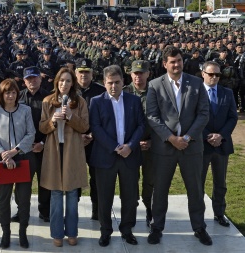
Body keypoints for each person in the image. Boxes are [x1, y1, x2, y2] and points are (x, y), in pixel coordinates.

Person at [146, 46, 211, 246]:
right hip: (165, 148)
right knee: (160, 189)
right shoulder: (154, 85)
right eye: (172, 62)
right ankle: (157, 227)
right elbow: (152, 116)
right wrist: (171, 138)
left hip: (191, 148)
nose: (177, 65)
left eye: (179, 60)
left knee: (195, 189)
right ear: (165, 64)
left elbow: (203, 114)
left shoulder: (197, 83)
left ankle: (199, 227)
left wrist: (188, 137)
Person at [89, 65, 145, 247]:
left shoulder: (134, 101)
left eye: (117, 82)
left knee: (130, 197)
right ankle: (105, 231)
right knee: (104, 197)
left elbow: (141, 126)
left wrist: (130, 146)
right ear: (104, 83)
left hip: (129, 157)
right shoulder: (96, 102)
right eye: (110, 83)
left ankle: (127, 230)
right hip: (105, 157)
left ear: (123, 82)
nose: (114, 86)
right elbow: (96, 128)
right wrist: (114, 147)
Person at [39, 67, 89, 247]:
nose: (64, 84)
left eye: (68, 81)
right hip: (54, 151)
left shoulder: (80, 102)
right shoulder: (47, 101)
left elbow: (84, 126)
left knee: (72, 194)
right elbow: (42, 128)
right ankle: (57, 233)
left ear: (72, 83)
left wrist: (70, 116)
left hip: (72, 152)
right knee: (56, 194)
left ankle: (72, 232)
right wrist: (53, 121)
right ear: (56, 82)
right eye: (61, 81)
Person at [0, 79, 36, 249]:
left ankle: (23, 232)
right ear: (1, 94)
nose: (10, 95)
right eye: (7, 92)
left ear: (17, 94)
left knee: (23, 199)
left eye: (13, 92)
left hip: (23, 158)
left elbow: (31, 133)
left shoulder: (25, 110)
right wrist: (4, 155)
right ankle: (6, 233)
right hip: (2, 160)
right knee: (4, 197)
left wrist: (14, 151)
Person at [200, 61, 238, 227]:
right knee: (198, 182)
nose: (214, 77)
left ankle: (219, 213)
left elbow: (232, 117)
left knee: (220, 183)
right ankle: (197, 216)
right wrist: (207, 136)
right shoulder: (195, 93)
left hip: (221, 145)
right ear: (203, 74)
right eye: (211, 74)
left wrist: (221, 135)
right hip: (202, 145)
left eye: (217, 75)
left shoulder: (227, 93)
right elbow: (191, 118)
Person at [15, 66, 51, 222]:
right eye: (29, 78)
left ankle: (45, 211)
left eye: (35, 77)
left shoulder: (49, 98)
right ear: (24, 81)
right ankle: (22, 211)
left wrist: (42, 142)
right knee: (22, 183)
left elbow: (53, 124)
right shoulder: (18, 98)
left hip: (44, 147)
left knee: (45, 182)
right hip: (24, 149)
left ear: (40, 78)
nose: (32, 81)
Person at [123, 60, 154, 227]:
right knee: (130, 181)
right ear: (131, 74)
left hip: (150, 146)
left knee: (150, 180)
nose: (138, 76)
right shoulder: (124, 92)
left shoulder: (157, 93)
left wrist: (152, 141)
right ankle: (131, 211)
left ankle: (150, 210)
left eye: (141, 73)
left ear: (148, 73)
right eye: (135, 73)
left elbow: (163, 120)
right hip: (131, 147)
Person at [74, 58, 106, 220]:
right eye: (81, 72)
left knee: (97, 178)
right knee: (75, 177)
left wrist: (92, 135)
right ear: (76, 73)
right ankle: (73, 210)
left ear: (92, 74)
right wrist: (78, 136)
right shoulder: (69, 90)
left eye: (87, 72)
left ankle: (96, 209)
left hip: (96, 142)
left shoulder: (101, 91)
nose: (84, 75)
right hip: (75, 141)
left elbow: (105, 117)